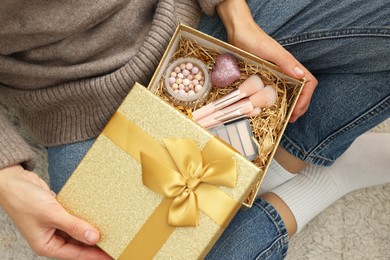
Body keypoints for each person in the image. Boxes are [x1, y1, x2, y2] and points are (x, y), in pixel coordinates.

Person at [0, 0, 388, 259]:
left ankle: (278, 168)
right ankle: (316, 182)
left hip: (187, 27)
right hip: (72, 104)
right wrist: (6, 176)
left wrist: (237, 16)